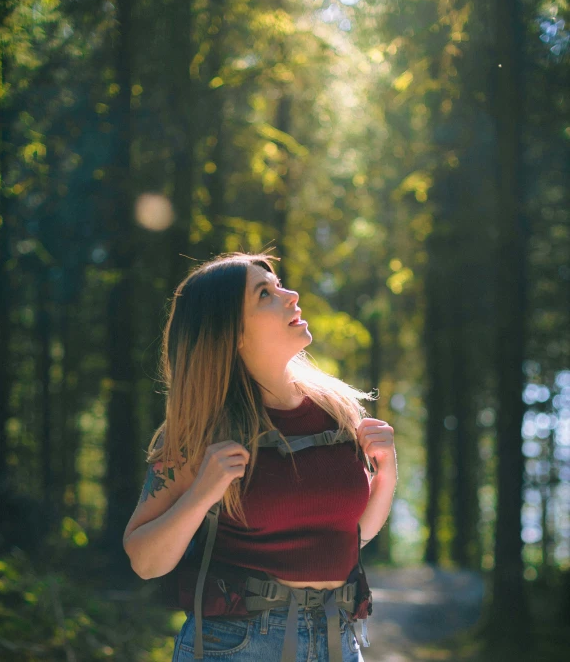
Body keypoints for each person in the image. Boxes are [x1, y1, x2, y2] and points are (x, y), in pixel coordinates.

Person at [123, 251, 397, 661]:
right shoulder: (201, 432)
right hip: (238, 645)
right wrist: (201, 494)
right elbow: (144, 561)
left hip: (338, 640)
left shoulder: (337, 411)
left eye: (279, 284)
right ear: (231, 332)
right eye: (265, 294)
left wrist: (387, 475)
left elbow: (353, 535)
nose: (292, 295)